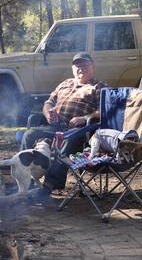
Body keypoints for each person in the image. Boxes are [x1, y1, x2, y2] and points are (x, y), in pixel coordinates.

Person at [21, 52, 107, 196]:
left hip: (78, 130)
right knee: (29, 135)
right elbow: (48, 102)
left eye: (85, 65)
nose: (81, 68)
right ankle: (25, 179)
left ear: (93, 67)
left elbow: (103, 110)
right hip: (54, 126)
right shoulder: (65, 83)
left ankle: (47, 187)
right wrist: (48, 112)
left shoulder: (98, 86)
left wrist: (85, 118)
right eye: (77, 66)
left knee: (64, 142)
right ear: (73, 68)